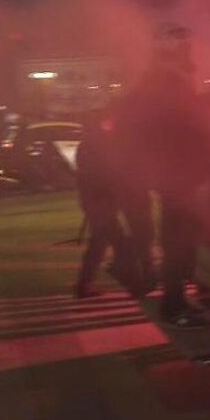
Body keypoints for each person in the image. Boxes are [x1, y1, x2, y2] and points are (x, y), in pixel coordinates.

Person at [119, 23, 210, 329]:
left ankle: (183, 299)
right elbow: (190, 112)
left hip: (177, 176)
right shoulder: (165, 83)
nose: (191, 55)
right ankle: (177, 305)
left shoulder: (160, 81)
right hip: (179, 177)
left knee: (184, 239)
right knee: (180, 239)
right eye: (185, 47)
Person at [74, 109, 138, 298]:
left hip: (94, 200)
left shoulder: (87, 143)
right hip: (102, 201)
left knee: (99, 243)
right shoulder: (102, 142)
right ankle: (132, 282)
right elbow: (108, 172)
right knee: (120, 244)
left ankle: (84, 284)